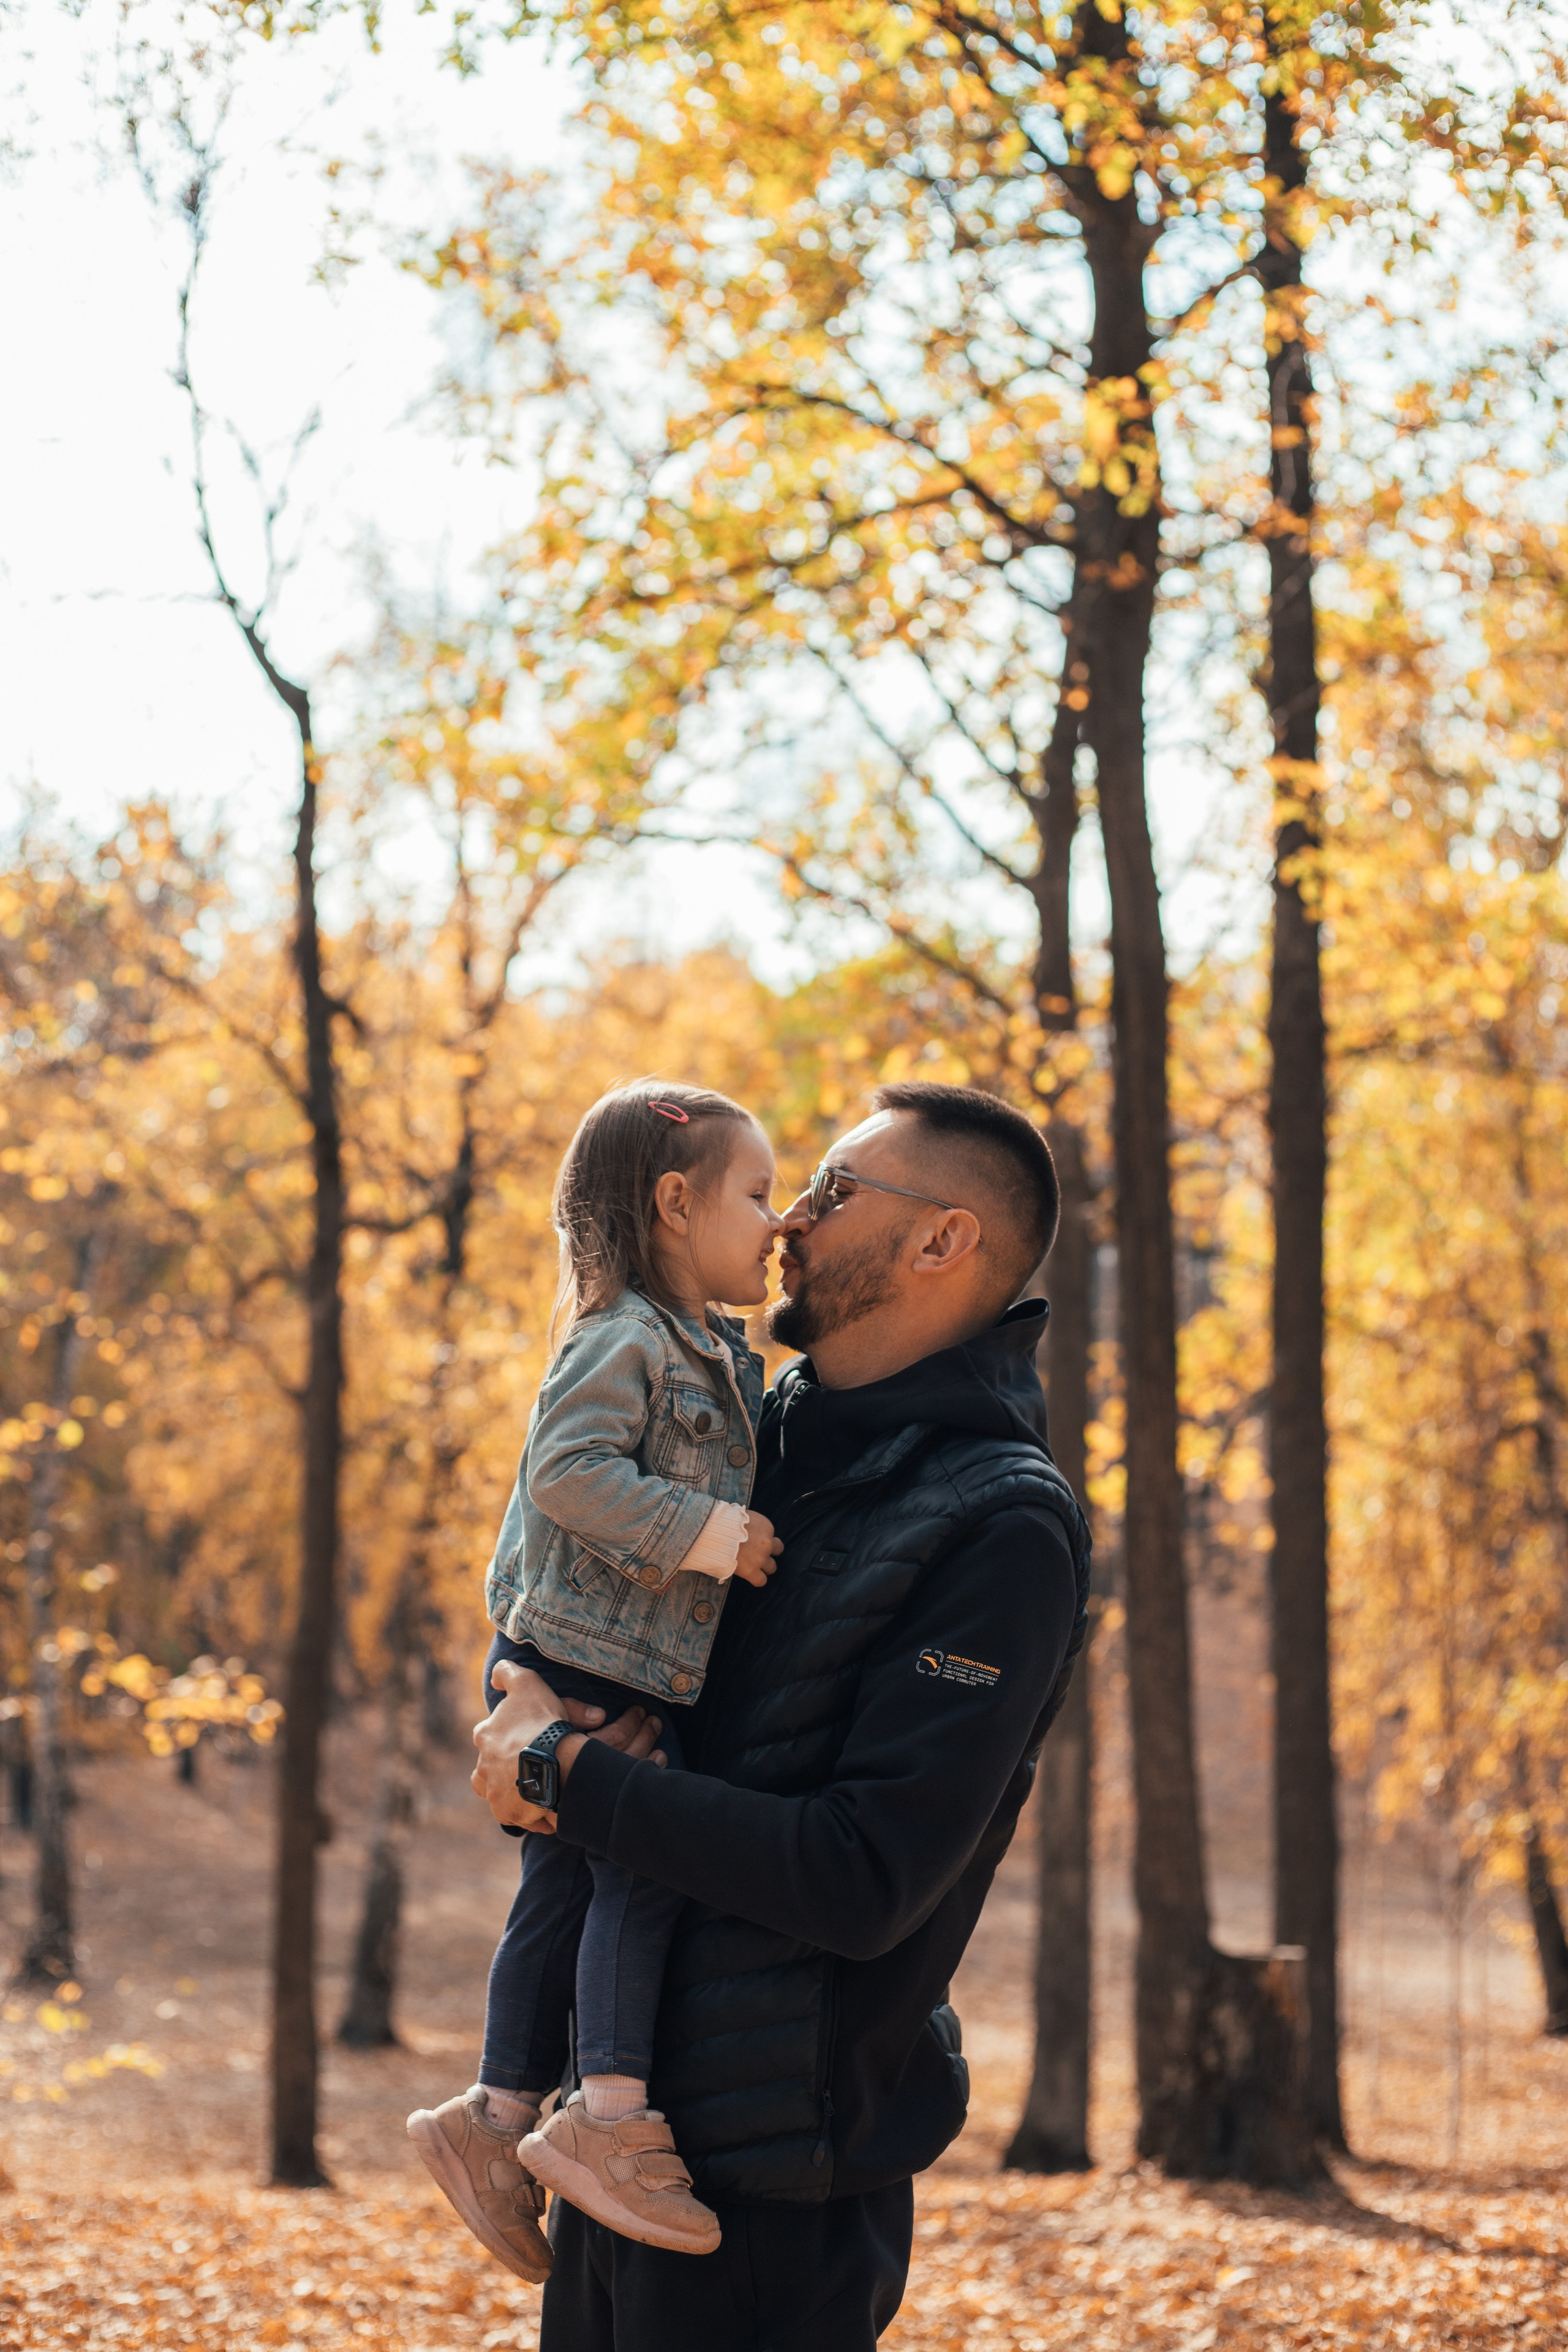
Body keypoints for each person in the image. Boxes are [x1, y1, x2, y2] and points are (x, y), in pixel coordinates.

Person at [472, 1079, 1093, 2352]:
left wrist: (567, 1776)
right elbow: (597, 1626)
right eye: (789, 1190)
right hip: (616, 2144)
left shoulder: (1000, 1527)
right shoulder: (752, 1430)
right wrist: (525, 1702)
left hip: (768, 2198)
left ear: (938, 1240)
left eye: (832, 1189)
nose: (790, 1220)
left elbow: (863, 1878)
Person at [408, 1079, 788, 2275]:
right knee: (641, 1878)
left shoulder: (714, 1352)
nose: (776, 1224)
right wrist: (711, 1534)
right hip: (583, 1661)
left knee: (564, 1895)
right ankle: (608, 2119)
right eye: (758, 1195)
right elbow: (568, 1473)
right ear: (676, 1203)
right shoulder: (625, 1337)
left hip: (606, 1658)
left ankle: (494, 2117)